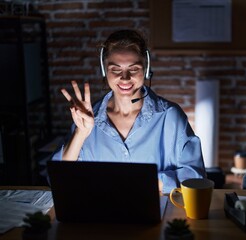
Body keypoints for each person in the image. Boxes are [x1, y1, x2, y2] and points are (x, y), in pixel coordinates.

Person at [51, 29, 206, 193]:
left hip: (159, 215)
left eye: (133, 69)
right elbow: (57, 179)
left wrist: (143, 182)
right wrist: (80, 134)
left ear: (145, 70)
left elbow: (197, 179)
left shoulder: (170, 117)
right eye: (115, 69)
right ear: (105, 71)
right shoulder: (87, 119)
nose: (124, 78)